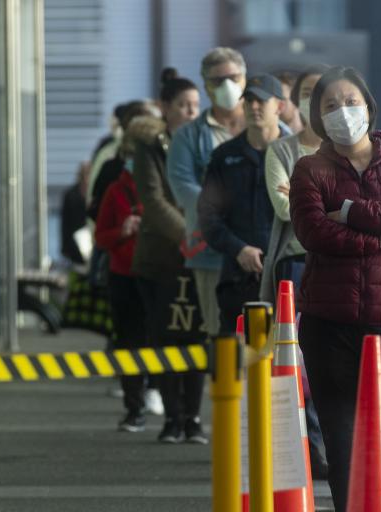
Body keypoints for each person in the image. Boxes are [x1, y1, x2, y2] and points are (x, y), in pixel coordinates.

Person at [289, 66, 381, 512]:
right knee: (343, 447)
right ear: (317, 117)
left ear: (370, 108)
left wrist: (351, 210)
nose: (343, 112)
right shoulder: (309, 169)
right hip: (329, 326)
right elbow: (315, 234)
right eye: (330, 105)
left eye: (351, 101)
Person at [260, 65, 330, 480]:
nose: (314, 99)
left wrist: (309, 198)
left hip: (342, 264)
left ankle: (334, 444)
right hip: (296, 267)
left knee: (336, 360)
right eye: (307, 91)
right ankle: (310, 448)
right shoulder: (282, 152)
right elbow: (286, 210)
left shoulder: (354, 151)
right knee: (299, 364)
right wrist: (338, 208)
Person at [131, 68, 208, 444]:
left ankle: (192, 418)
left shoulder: (207, 143)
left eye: (195, 105)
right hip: (160, 257)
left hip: (201, 259)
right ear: (165, 108)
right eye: (183, 105)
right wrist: (188, 232)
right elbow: (153, 200)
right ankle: (171, 417)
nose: (191, 112)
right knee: (164, 341)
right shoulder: (149, 148)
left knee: (196, 338)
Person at [167, 47, 248, 338]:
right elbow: (183, 187)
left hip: (262, 250)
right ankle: (225, 386)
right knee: (220, 334)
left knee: (266, 338)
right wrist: (227, 214)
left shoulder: (272, 127)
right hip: (211, 250)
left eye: (233, 77)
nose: (226, 85)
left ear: (245, 78)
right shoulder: (187, 136)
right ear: (205, 86)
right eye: (217, 80)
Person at [198, 73, 288, 332]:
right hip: (238, 277)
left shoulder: (298, 155)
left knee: (287, 361)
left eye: (261, 101)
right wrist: (238, 249)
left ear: (280, 106)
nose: (253, 107)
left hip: (287, 276)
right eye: (248, 101)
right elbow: (208, 215)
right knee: (235, 364)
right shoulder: (225, 157)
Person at [95, 127, 148, 432]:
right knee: (129, 342)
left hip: (158, 273)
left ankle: (174, 411)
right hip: (124, 275)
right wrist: (123, 231)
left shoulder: (165, 185)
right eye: (131, 155)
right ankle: (134, 406)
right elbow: (101, 238)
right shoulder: (116, 190)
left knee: (160, 341)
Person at [61, 161, 90, 266]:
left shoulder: (96, 193)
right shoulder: (71, 195)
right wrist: (65, 248)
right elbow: (65, 222)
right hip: (74, 241)